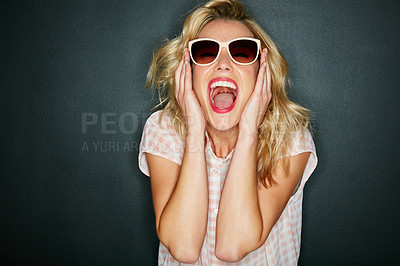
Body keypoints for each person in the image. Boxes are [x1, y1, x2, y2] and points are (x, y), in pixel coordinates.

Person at [139, 0, 317, 264]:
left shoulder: (290, 138)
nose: (223, 63)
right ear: (187, 69)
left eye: (243, 52)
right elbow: (184, 248)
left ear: (261, 70)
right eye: (206, 52)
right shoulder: (162, 129)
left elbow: (231, 247)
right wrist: (195, 130)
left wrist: (248, 131)